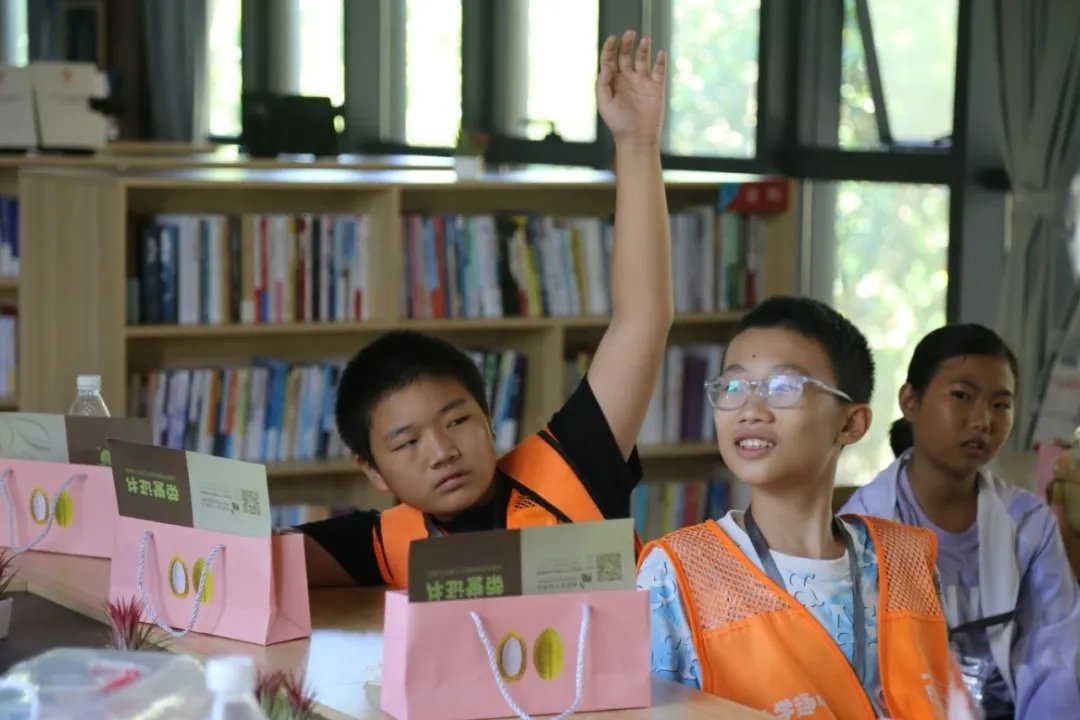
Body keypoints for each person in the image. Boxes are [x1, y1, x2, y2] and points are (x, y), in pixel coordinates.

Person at [295, 30, 674, 588]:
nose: (442, 452)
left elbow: (643, 319)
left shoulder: (571, 465)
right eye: (407, 443)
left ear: (488, 417)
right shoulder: (384, 542)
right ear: (372, 470)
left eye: (457, 421)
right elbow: (250, 565)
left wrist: (637, 145)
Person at [637, 296, 959, 719]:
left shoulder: (907, 562)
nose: (750, 411)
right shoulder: (675, 573)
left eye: (783, 388)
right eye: (732, 388)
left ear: (850, 423)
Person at [842, 323, 1080, 719]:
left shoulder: (1028, 524)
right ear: (910, 401)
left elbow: (1055, 657)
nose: (983, 420)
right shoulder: (860, 527)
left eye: (1000, 405)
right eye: (962, 396)